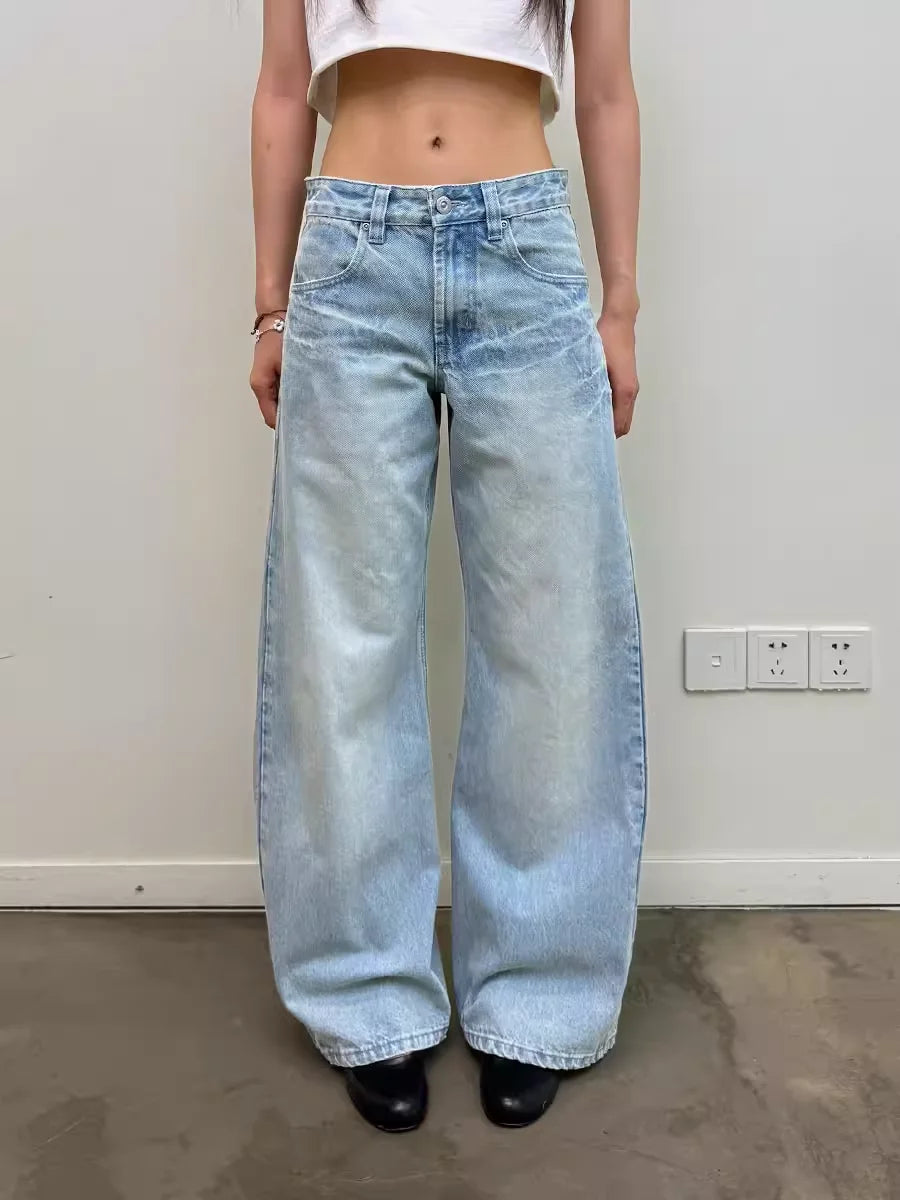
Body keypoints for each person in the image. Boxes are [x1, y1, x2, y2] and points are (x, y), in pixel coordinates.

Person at [249, 0, 645, 1132]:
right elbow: (282, 89)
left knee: (553, 637)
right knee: (345, 646)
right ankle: (368, 996)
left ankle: (540, 995)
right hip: (350, 254)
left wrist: (620, 305)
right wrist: (270, 306)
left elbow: (605, 90)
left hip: (523, 247)